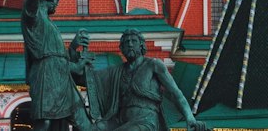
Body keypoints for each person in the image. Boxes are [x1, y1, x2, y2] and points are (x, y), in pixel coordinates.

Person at [71, 29, 203, 131]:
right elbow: (89, 80)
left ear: (141, 45)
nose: (129, 44)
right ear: (122, 48)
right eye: (126, 42)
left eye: (133, 41)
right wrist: (73, 49)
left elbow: (176, 93)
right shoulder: (116, 71)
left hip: (146, 121)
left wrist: (189, 118)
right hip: (119, 119)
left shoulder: (153, 65)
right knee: (92, 129)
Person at [21, 0, 90, 131]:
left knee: (77, 120)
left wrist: (73, 45)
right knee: (45, 121)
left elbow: (59, 57)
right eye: (56, 1)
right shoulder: (34, 17)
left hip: (61, 78)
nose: (57, 5)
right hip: (46, 76)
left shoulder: (50, 24)